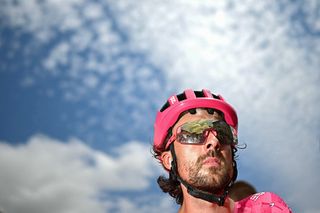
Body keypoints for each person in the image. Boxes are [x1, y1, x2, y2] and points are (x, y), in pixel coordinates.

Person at [152, 89, 292, 212]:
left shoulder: (265, 207)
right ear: (168, 159)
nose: (214, 141)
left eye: (223, 132)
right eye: (193, 133)